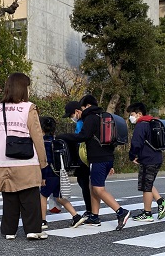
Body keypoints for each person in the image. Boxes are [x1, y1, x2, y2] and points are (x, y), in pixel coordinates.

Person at [0, 73, 49, 240]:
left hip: (1, 162)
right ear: (23, 88)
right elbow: (37, 137)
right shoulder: (29, 108)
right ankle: (32, 230)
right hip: (25, 161)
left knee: (9, 197)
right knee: (30, 198)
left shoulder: (0, 108)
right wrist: (43, 164)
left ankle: (9, 231)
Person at [58, 94, 131, 230]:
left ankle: (121, 212)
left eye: (82, 107)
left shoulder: (91, 118)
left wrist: (63, 136)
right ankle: (94, 216)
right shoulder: (103, 116)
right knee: (93, 187)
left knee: (98, 189)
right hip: (107, 157)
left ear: (87, 106)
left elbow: (83, 136)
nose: (80, 111)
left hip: (98, 158)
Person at [127, 102, 165, 222]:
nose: (131, 117)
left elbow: (136, 143)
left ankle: (147, 213)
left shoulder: (141, 125)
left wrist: (132, 156)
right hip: (156, 158)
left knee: (146, 186)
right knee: (148, 182)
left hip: (147, 159)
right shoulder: (152, 122)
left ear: (139, 114)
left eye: (132, 114)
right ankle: (161, 202)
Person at [39, 116, 84, 229]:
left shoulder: (44, 143)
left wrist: (43, 177)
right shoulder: (54, 141)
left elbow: (46, 161)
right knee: (59, 197)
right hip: (59, 173)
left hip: (49, 173)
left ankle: (42, 221)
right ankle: (76, 216)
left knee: (43, 196)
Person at [63, 100, 92, 224]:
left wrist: (65, 137)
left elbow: (80, 138)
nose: (72, 118)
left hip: (85, 156)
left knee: (87, 184)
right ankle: (90, 210)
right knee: (84, 183)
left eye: (71, 115)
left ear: (76, 111)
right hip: (84, 156)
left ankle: (91, 211)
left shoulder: (83, 121)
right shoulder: (82, 121)